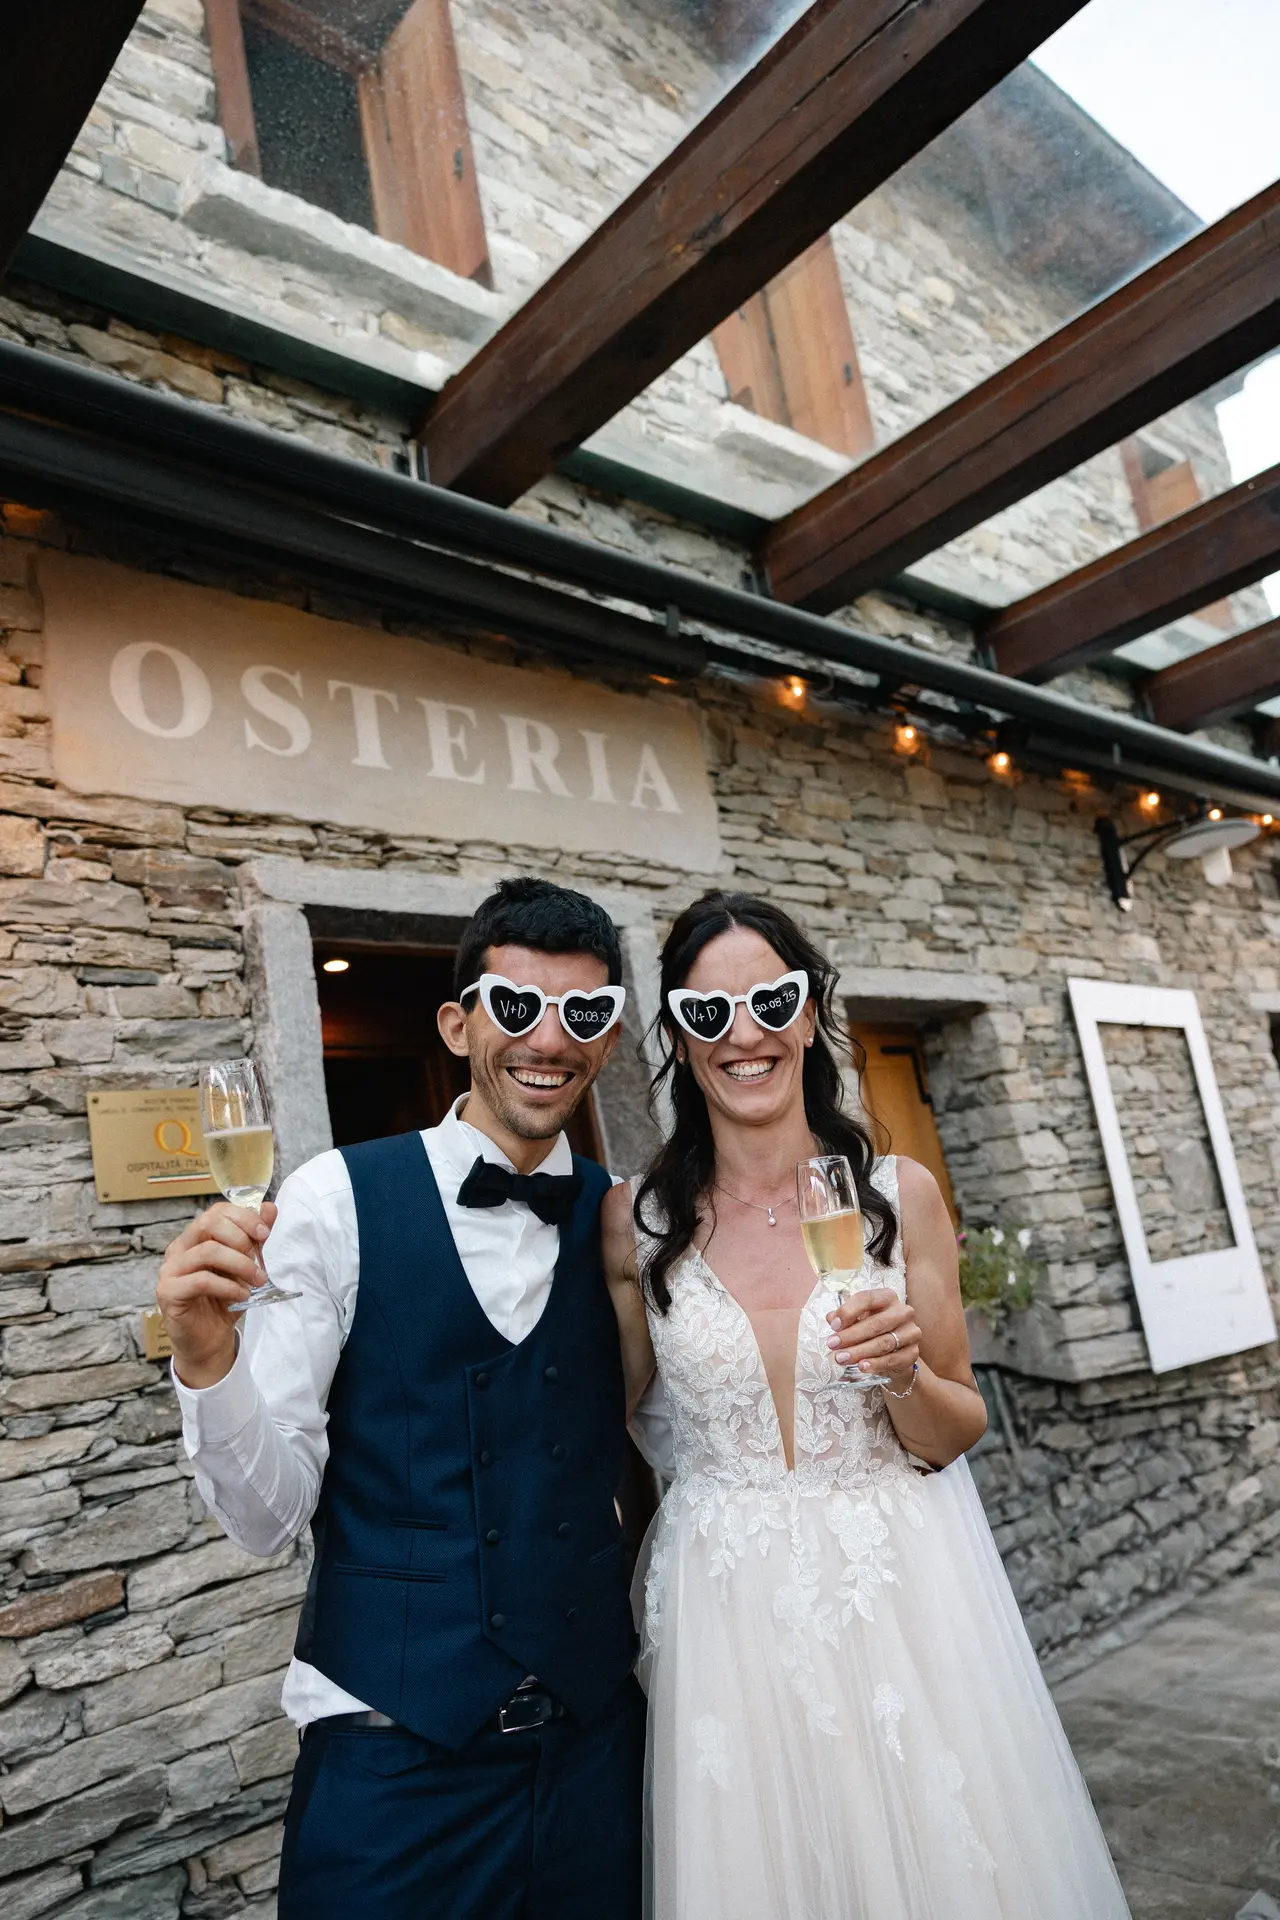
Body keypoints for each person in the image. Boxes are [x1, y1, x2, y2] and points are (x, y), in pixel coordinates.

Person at [601, 891, 1131, 1920]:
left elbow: (952, 1430)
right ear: (674, 1034)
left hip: (898, 1594)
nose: (742, 1034)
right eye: (706, 1014)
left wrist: (900, 1377)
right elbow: (606, 1416)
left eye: (769, 1000)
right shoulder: (635, 1221)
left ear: (808, 1012)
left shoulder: (899, 1194)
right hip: (725, 1613)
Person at [157, 877, 654, 1920]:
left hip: (594, 1759)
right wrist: (208, 1360)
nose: (549, 1039)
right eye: (517, 1006)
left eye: (584, 1013)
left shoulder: (626, 1225)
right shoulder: (335, 1198)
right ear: (458, 1019)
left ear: (609, 1038)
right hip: (392, 1767)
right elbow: (263, 1518)